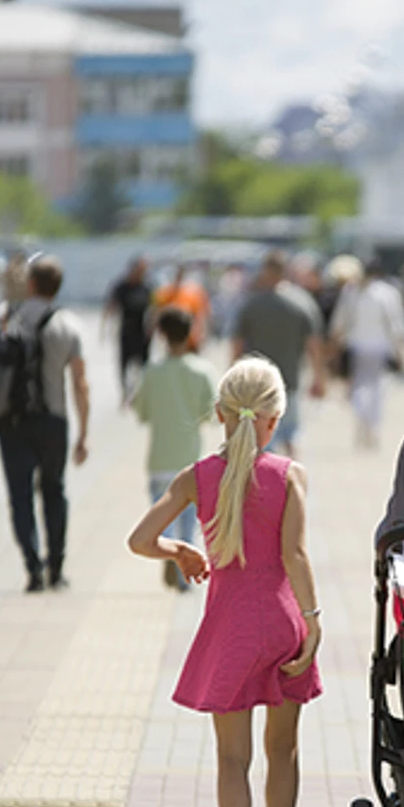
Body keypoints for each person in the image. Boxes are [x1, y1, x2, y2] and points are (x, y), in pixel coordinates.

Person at [125, 358, 323, 807]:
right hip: (283, 620)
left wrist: (180, 550)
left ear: (218, 415)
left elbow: (141, 539)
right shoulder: (289, 475)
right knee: (282, 751)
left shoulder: (198, 476)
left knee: (231, 759)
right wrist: (312, 619)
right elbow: (295, 555)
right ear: (275, 417)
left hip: (230, 628)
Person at [0, 254, 90, 593]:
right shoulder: (67, 325)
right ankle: (56, 569)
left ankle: (32, 566)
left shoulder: (3, 317)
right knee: (54, 491)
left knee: (19, 496)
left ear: (30, 284)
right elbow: (80, 382)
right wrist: (84, 433)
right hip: (53, 420)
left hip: (11, 420)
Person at [134, 308, 219, 591]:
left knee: (162, 513)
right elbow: (211, 413)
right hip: (190, 458)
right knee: (188, 520)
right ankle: (185, 571)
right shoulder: (202, 370)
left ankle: (169, 556)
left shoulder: (151, 372)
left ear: (161, 335)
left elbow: (142, 412)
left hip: (159, 458)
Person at [232, 251, 328, 456]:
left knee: (263, 435)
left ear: (265, 271)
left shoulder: (252, 304)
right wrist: (319, 377)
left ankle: (268, 480)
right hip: (289, 380)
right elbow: (313, 343)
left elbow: (237, 344)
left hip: (257, 383)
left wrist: (233, 376)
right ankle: (293, 476)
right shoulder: (302, 302)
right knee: (292, 432)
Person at [329, 257, 404, 449]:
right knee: (377, 388)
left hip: (356, 346)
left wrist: (334, 348)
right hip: (380, 347)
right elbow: (397, 326)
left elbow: (339, 324)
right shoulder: (388, 293)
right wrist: (401, 351)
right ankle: (372, 425)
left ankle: (362, 421)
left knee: (359, 385)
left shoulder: (351, 292)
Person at [103, 256, 155, 399]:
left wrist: (153, 326)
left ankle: (143, 392)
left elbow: (153, 308)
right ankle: (125, 393)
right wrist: (105, 328)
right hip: (126, 330)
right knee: (124, 364)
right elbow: (111, 306)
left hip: (142, 332)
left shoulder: (146, 287)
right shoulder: (122, 286)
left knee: (144, 365)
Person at [157, 265, 211, 351]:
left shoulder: (194, 292)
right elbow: (159, 312)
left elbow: (201, 314)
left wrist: (202, 332)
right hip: (173, 337)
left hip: (191, 336)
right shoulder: (166, 292)